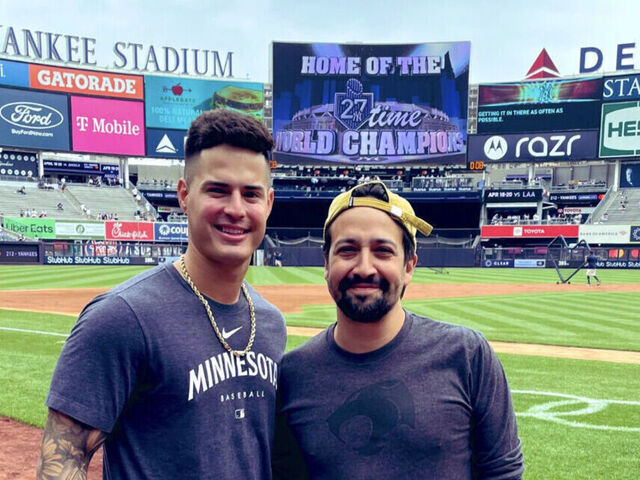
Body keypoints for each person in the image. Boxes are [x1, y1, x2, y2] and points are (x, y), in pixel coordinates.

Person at [37, 110, 287, 479]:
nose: (236, 209)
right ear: (184, 196)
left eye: (250, 194)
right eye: (218, 190)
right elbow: (64, 459)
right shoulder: (122, 316)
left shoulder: (271, 323)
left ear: (267, 203)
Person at [273, 181, 524, 479]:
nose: (364, 267)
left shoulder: (467, 354)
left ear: (408, 266)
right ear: (326, 263)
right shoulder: (292, 373)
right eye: (348, 250)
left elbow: (503, 472)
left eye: (382, 251)